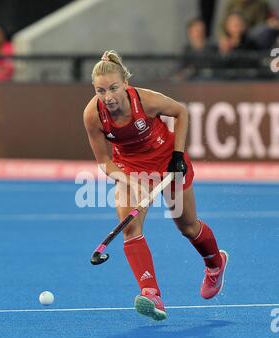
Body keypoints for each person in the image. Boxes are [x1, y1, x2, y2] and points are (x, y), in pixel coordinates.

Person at [83, 50, 229, 321]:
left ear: (125, 83)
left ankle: (214, 264)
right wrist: (131, 182)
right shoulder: (93, 115)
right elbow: (104, 162)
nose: (109, 96)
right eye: (101, 91)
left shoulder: (146, 101)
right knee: (131, 227)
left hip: (167, 160)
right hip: (130, 167)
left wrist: (177, 157)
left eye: (114, 88)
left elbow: (181, 112)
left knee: (187, 226)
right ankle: (151, 294)